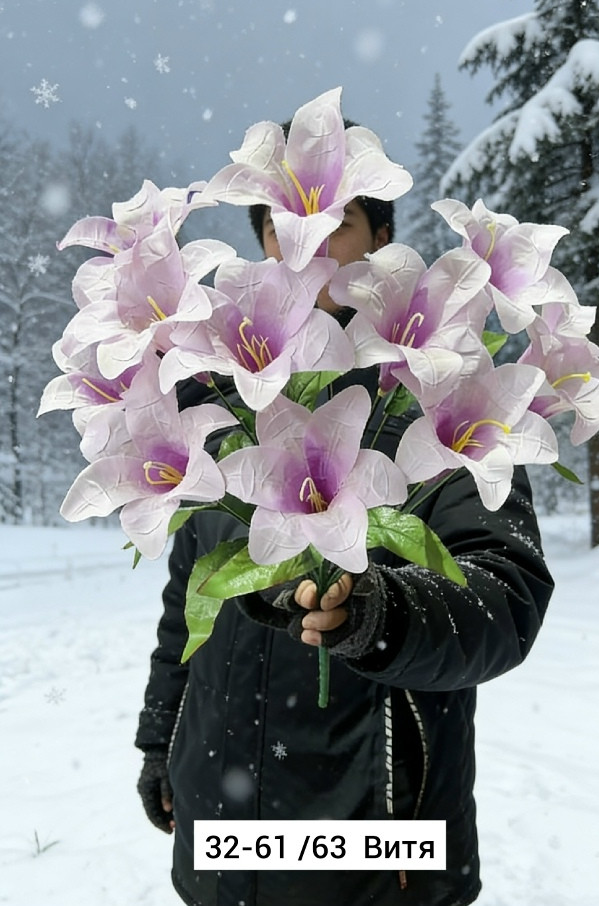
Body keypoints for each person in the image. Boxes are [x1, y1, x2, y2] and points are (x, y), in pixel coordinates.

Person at [135, 177, 554, 906]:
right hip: (222, 834)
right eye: (279, 222)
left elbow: (507, 595)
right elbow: (188, 600)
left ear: (381, 243)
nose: (303, 240)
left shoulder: (441, 392)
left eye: (339, 219)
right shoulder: (212, 411)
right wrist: (161, 740)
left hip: (381, 842)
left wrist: (383, 614)